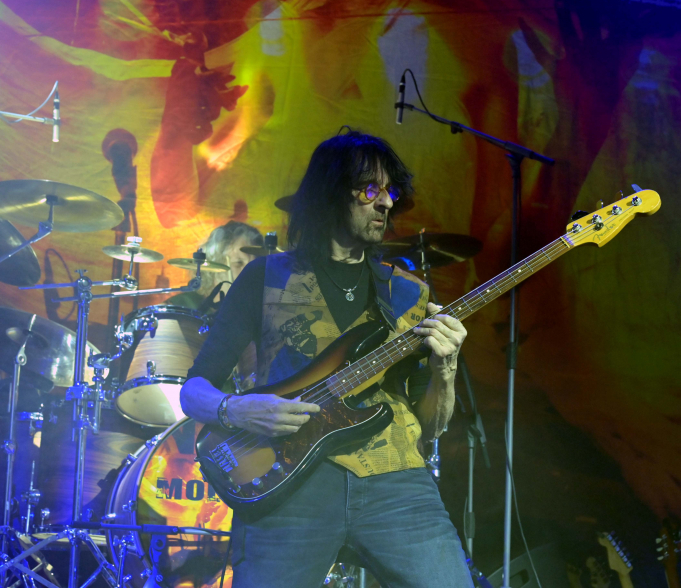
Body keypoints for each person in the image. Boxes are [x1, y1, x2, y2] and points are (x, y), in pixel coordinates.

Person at [179, 131, 473, 587]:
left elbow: (431, 425)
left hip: (396, 482)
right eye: (370, 190)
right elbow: (194, 389)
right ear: (330, 192)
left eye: (391, 192)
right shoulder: (265, 276)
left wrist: (445, 369)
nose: (386, 203)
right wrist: (238, 409)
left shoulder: (406, 292)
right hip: (290, 482)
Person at [166, 220, 263, 312]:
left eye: (255, 265)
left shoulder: (259, 309)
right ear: (215, 263)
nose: (251, 272)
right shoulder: (181, 306)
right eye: (239, 263)